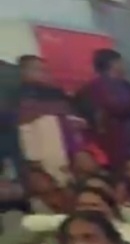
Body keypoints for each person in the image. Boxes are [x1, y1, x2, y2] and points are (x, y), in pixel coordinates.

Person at [15, 55, 84, 183]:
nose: (45, 74)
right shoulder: (18, 97)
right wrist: (33, 161)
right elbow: (24, 129)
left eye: (46, 70)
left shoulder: (56, 94)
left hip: (68, 153)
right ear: (23, 71)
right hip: (42, 158)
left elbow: (69, 119)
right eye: (38, 70)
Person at [78, 49, 130, 169]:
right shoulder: (96, 87)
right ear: (113, 63)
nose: (124, 66)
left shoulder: (128, 86)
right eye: (121, 62)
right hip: (112, 140)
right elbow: (114, 107)